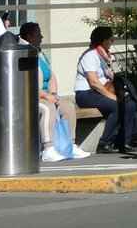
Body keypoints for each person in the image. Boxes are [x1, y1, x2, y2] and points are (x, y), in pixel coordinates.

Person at [19, 22, 90, 161]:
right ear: (29, 37)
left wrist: (53, 94)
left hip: (45, 96)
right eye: (39, 34)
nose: (42, 37)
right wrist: (47, 96)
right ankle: (48, 148)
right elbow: (27, 83)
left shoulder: (40, 54)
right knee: (48, 107)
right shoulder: (23, 53)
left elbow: (51, 77)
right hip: (29, 97)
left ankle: (70, 145)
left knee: (68, 106)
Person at [73, 26, 137, 154]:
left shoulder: (101, 56)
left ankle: (124, 142)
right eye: (111, 39)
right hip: (86, 94)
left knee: (131, 104)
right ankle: (104, 143)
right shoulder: (90, 56)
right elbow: (94, 83)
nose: (112, 42)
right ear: (104, 41)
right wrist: (114, 97)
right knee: (117, 106)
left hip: (98, 92)